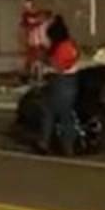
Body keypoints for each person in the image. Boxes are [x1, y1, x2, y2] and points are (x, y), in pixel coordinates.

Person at [37, 15, 82, 155]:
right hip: (71, 81)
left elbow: (59, 66)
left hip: (60, 81)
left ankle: (47, 142)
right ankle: (67, 146)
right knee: (64, 114)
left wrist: (46, 69)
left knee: (51, 112)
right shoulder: (71, 44)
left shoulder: (62, 47)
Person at [19, 0, 48, 80]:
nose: (28, 6)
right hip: (31, 41)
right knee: (31, 59)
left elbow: (42, 23)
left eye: (30, 4)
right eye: (27, 4)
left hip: (38, 41)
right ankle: (32, 75)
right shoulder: (25, 15)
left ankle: (38, 75)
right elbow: (23, 26)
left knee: (37, 59)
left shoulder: (39, 14)